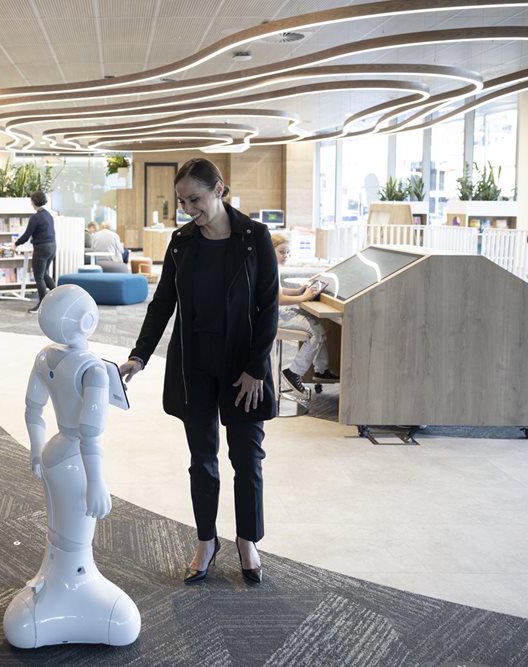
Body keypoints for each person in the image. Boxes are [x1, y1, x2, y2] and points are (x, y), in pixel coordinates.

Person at [119, 158, 278, 585]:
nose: (189, 208)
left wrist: (255, 368)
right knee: (202, 460)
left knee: (247, 459)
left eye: (196, 199)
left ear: (220, 189)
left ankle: (248, 540)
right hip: (195, 367)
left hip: (244, 369)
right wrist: (140, 355)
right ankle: (206, 540)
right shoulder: (181, 243)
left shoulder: (255, 237)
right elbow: (162, 304)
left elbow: (268, 307)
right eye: (183, 201)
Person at [3, 285, 140, 648]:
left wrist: (35, 450)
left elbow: (33, 409)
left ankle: (63, 580)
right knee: (74, 535)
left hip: (52, 453)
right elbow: (91, 434)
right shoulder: (93, 369)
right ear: (88, 320)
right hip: (77, 460)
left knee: (60, 530)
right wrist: (96, 482)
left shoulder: (45, 356)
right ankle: (71, 583)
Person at [272, 233, 339, 394]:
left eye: (288, 252)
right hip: (273, 316)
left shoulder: (271, 266)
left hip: (275, 312)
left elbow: (278, 291)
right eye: (282, 252)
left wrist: (298, 291)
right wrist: (303, 297)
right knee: (316, 331)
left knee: (317, 325)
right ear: (270, 249)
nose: (286, 256)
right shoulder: (268, 267)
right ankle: (293, 372)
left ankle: (321, 370)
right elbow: (279, 299)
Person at [13, 191, 56, 313]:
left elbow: (27, 235)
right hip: (52, 247)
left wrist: (15, 244)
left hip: (41, 249)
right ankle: (57, 298)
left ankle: (42, 306)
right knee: (45, 274)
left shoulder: (35, 217)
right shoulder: (48, 215)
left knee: (39, 277)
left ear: (33, 202)